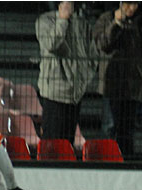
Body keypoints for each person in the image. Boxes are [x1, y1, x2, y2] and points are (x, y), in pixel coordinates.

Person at [94, 1, 142, 158]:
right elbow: (103, 44)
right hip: (111, 86)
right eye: (128, 4)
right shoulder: (106, 19)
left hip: (133, 87)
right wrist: (116, 23)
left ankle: (127, 163)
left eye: (135, 4)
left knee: (127, 131)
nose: (131, 8)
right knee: (110, 128)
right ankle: (108, 161)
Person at [36, 1, 98, 142]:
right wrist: (62, 20)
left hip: (75, 95)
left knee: (67, 145)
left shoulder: (82, 24)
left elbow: (94, 56)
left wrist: (83, 79)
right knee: (51, 144)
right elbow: (51, 44)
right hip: (54, 94)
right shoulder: (45, 21)